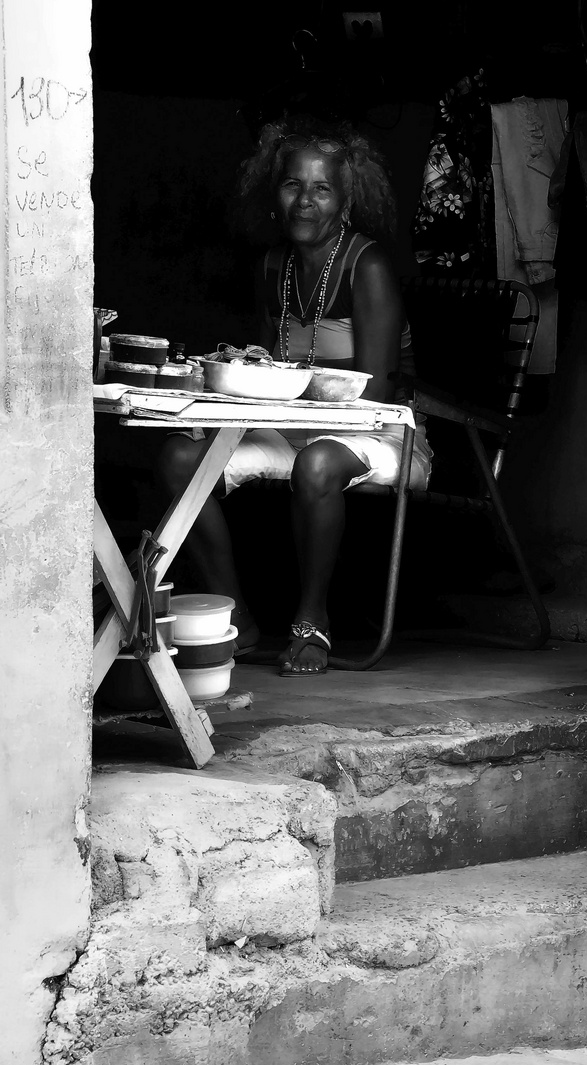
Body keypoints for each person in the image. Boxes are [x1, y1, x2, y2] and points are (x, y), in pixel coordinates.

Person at [158, 117, 431, 676]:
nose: (305, 201)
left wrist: (286, 400)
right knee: (181, 459)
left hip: (377, 432)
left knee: (316, 462)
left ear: (346, 200)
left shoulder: (367, 265)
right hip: (294, 427)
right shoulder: (272, 267)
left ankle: (312, 623)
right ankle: (237, 619)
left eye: (322, 188)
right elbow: (262, 366)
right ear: (273, 193)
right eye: (292, 185)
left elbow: (375, 391)